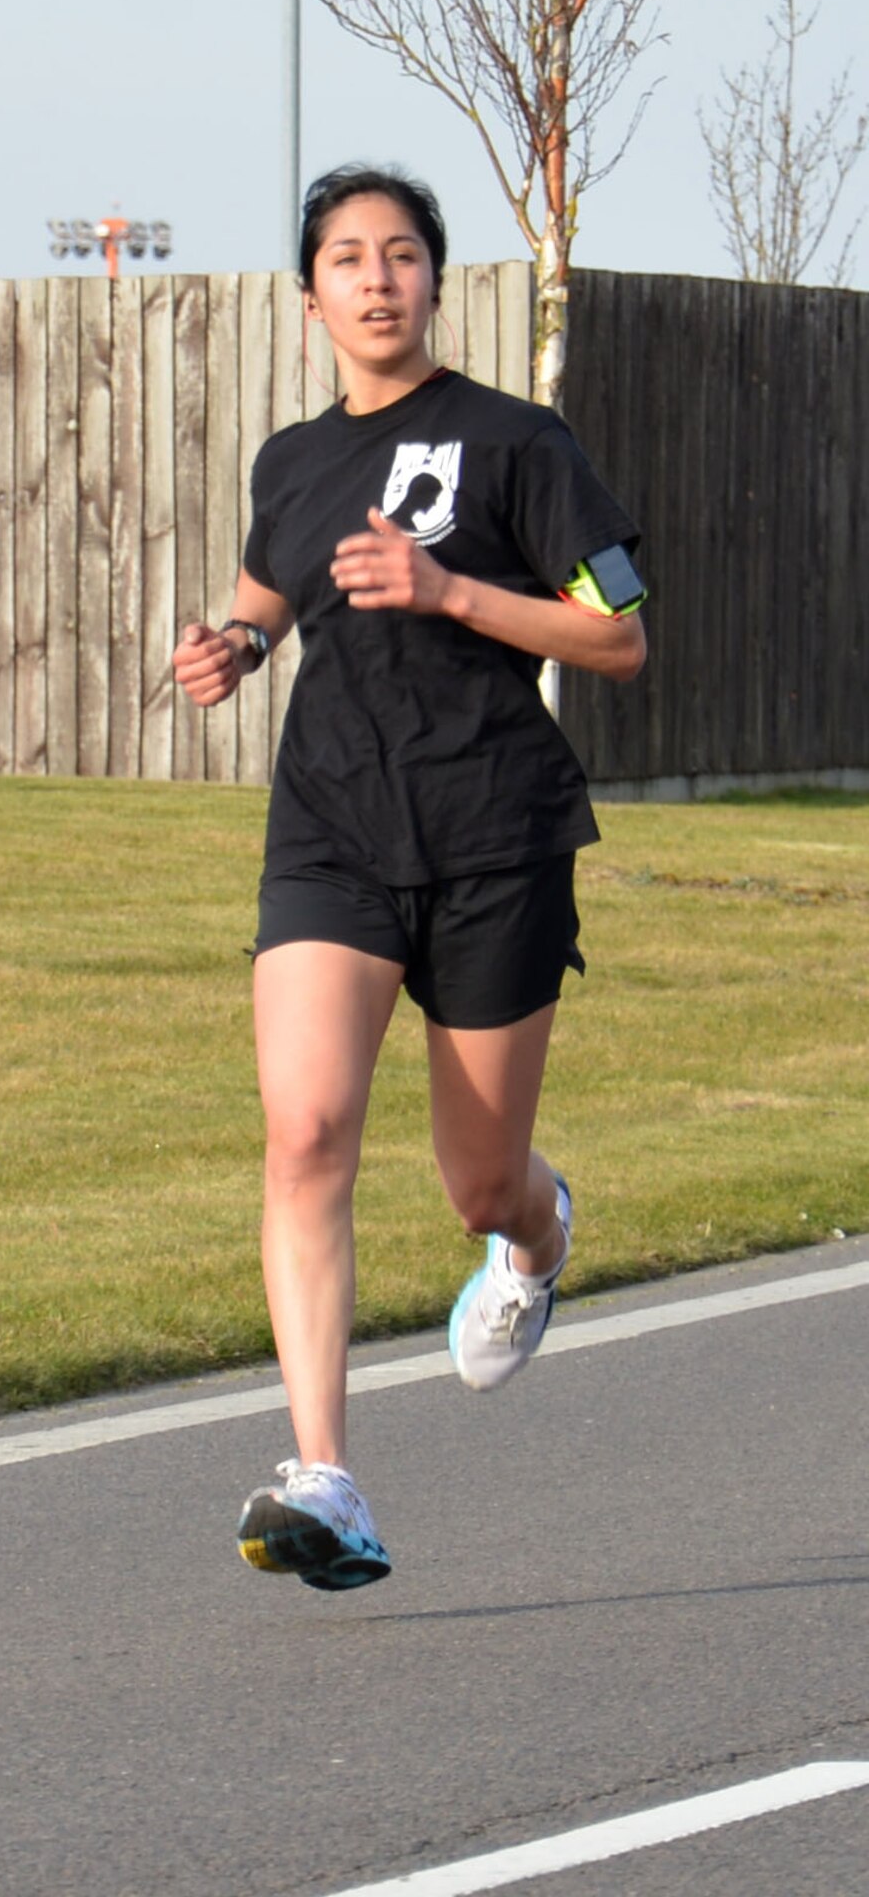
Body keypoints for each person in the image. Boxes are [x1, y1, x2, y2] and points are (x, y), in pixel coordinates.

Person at [172, 165, 646, 1593]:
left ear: (435, 280)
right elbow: (275, 592)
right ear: (309, 295)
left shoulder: (519, 443)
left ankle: (537, 1240)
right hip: (331, 831)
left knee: (478, 1182)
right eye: (346, 258)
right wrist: (238, 648)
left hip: (495, 835)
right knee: (305, 1130)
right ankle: (325, 1476)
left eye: (400, 255)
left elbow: (617, 635)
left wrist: (447, 591)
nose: (375, 279)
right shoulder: (290, 462)